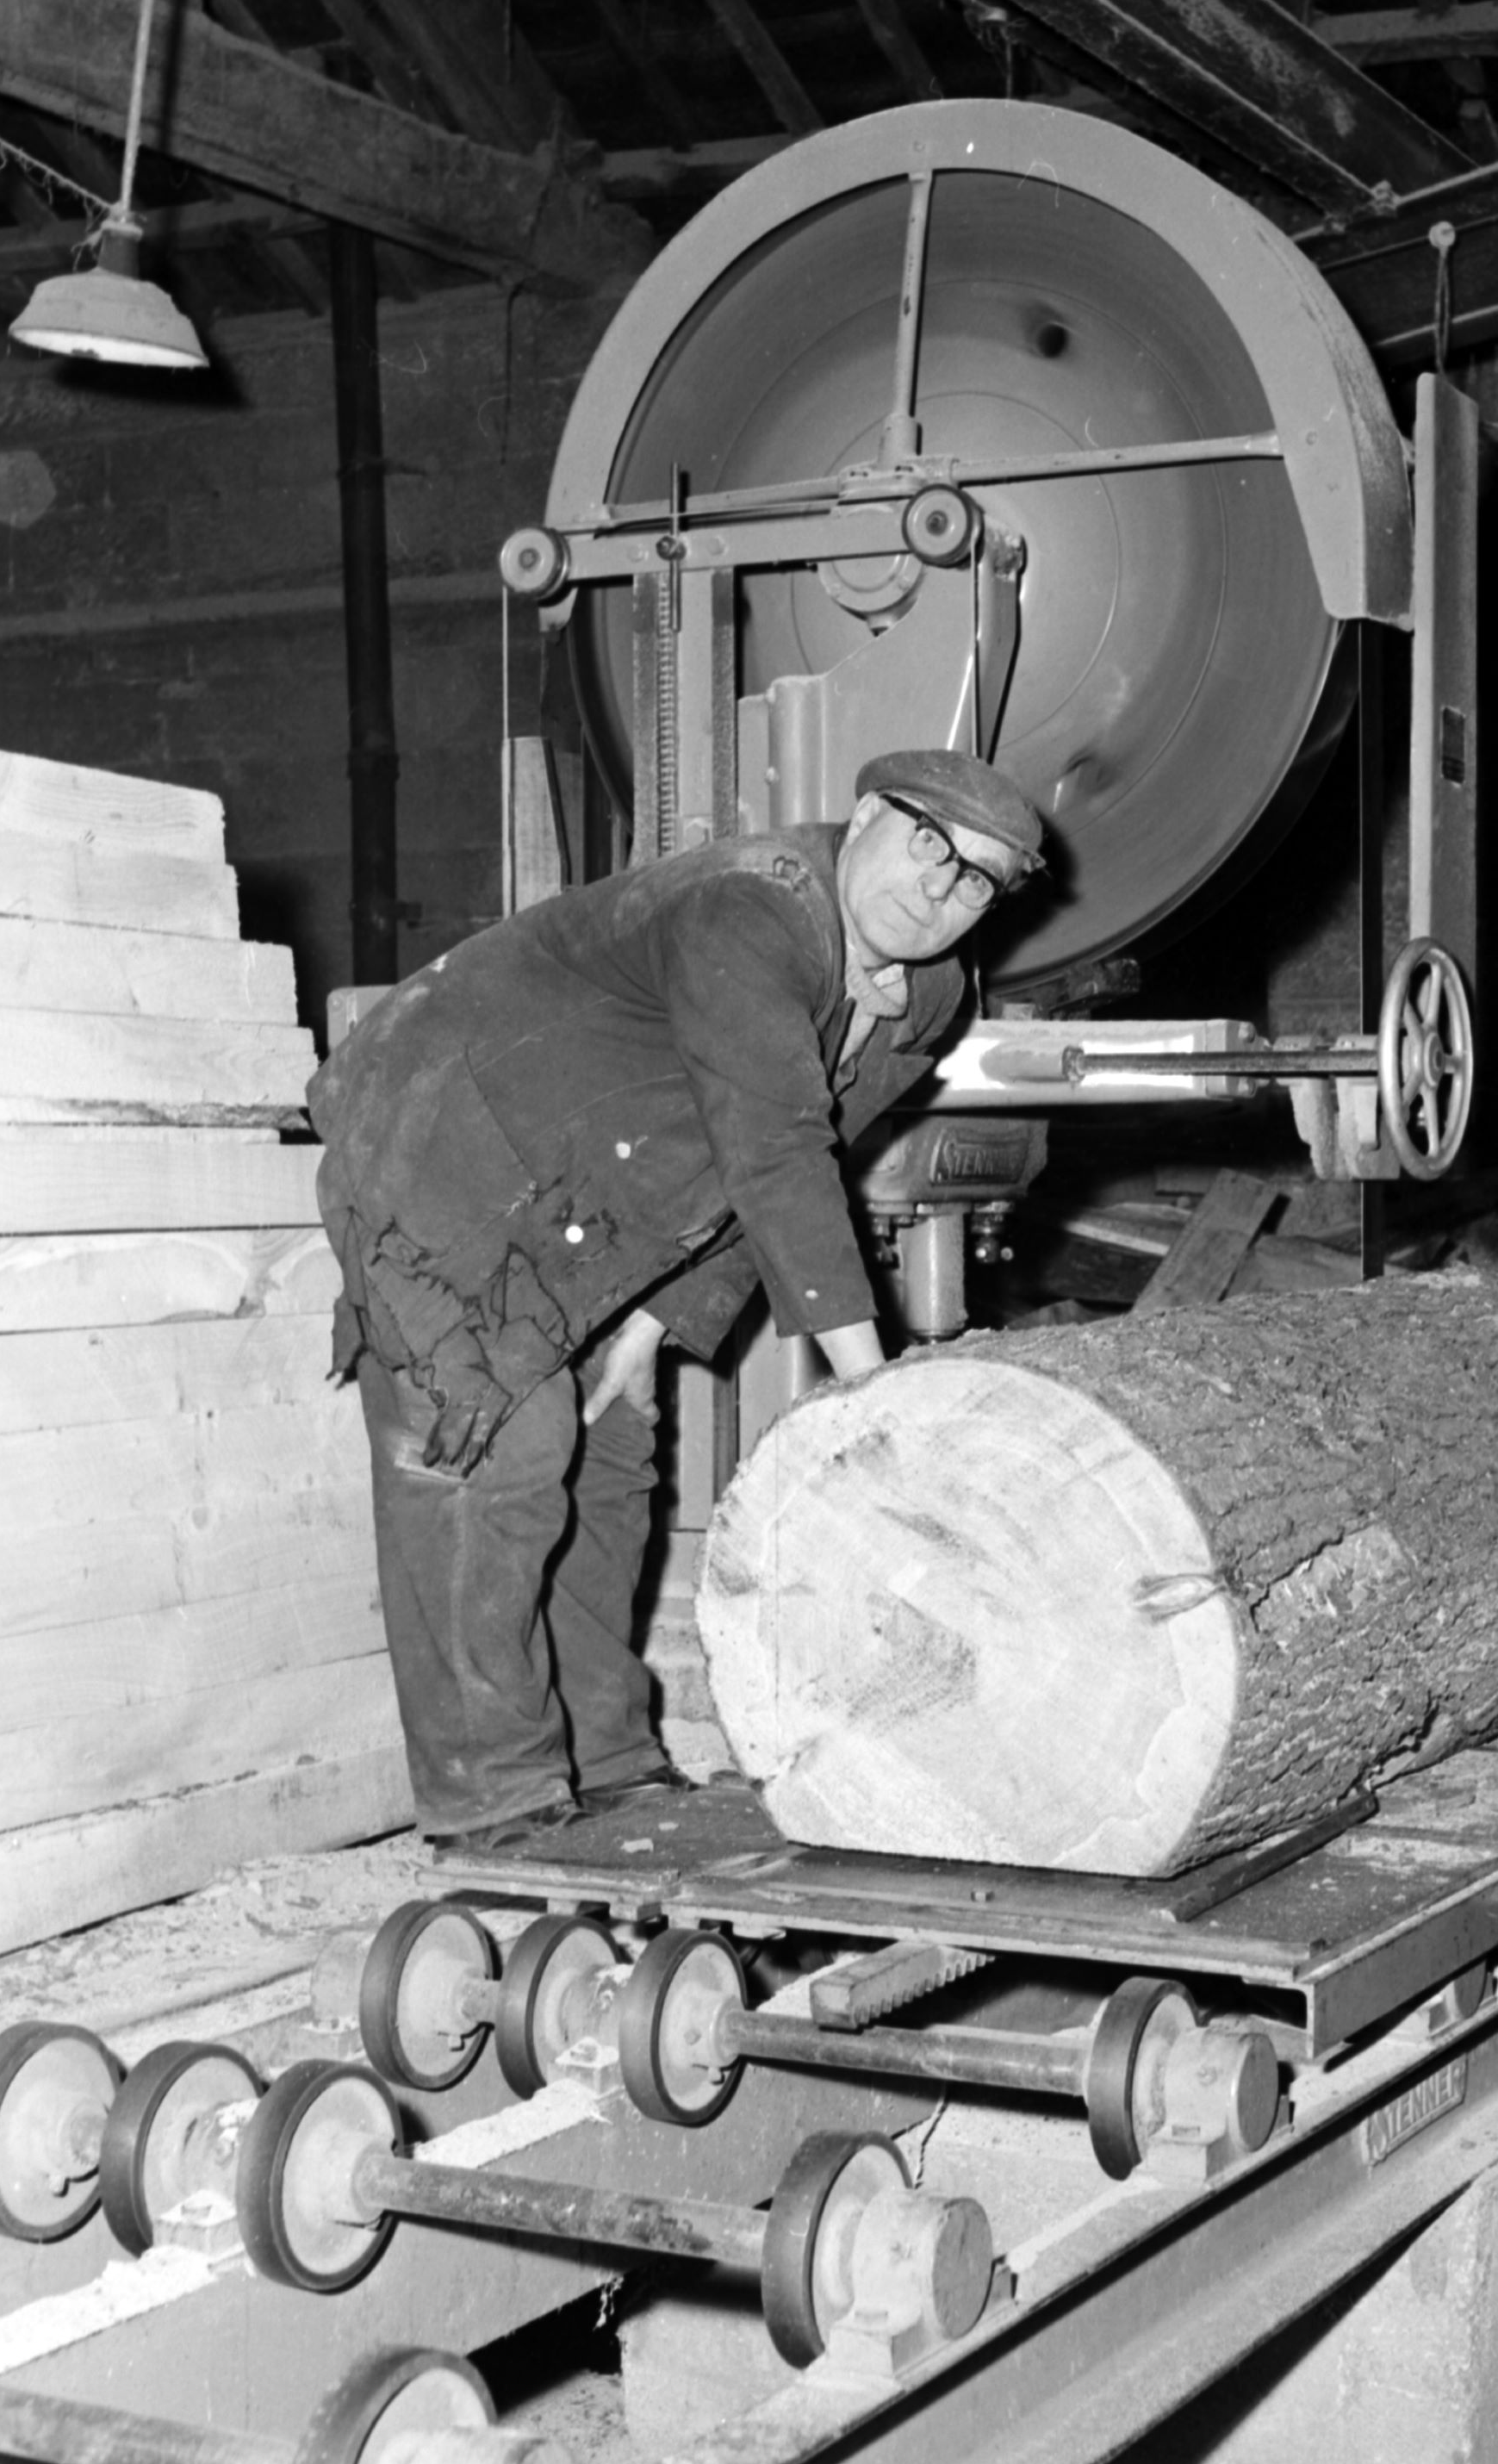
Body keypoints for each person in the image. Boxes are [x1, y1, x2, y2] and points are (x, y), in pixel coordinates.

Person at [307, 750, 1044, 1855]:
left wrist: (652, 1323)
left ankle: (607, 1766)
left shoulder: (925, 995)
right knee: (499, 1453)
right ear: (869, 815)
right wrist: (872, 1393)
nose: (941, 889)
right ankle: (492, 1800)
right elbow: (779, 1154)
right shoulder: (748, 911)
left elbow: (808, 1151)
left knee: (613, 1440)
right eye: (929, 845)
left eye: (978, 879)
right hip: (444, 1141)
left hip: (589, 1178)